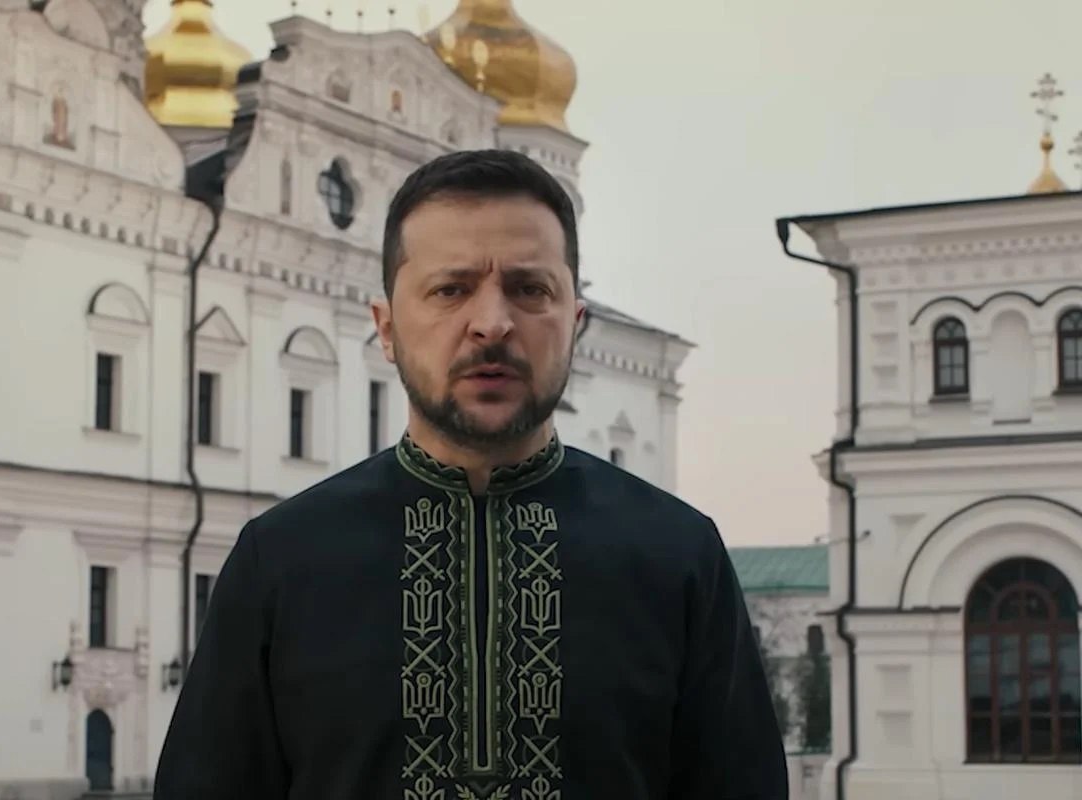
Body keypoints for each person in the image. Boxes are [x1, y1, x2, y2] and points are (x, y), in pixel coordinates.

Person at [152, 149, 788, 799]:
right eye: (450, 289)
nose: (492, 323)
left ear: (575, 325)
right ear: (387, 329)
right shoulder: (281, 560)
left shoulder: (680, 558)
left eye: (529, 289)